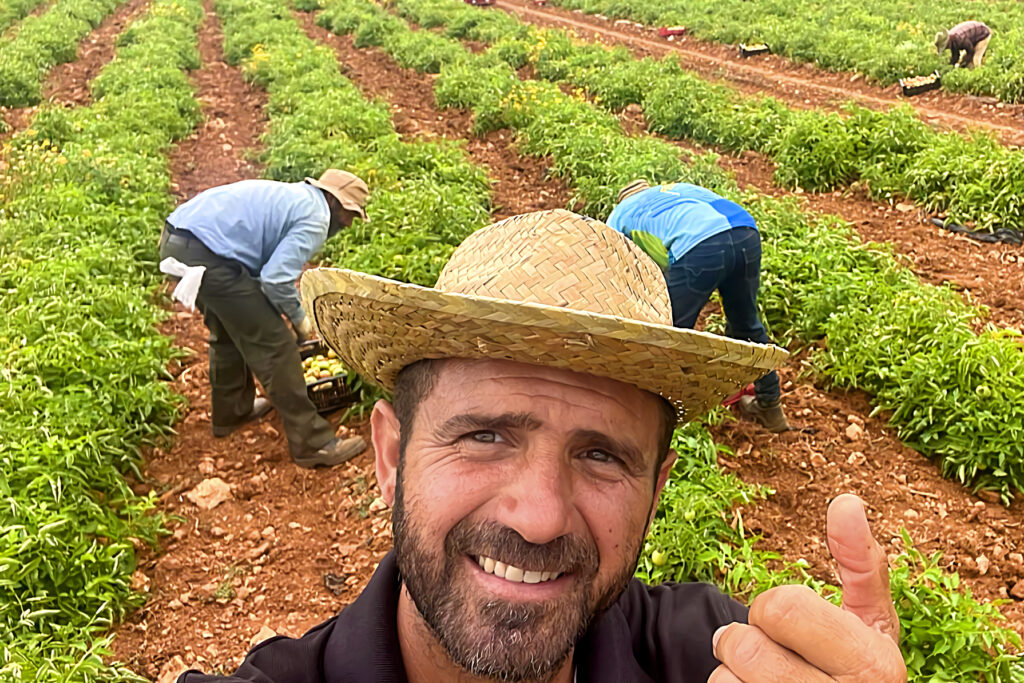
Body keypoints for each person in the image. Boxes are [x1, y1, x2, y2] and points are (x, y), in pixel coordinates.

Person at [179, 209, 906, 682]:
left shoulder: (713, 654)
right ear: (391, 456)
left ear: (655, 491)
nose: (539, 517)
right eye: (485, 435)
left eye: (601, 456)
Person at [158, 170, 370, 468]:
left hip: (179, 238)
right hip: (206, 253)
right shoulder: (316, 218)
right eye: (350, 214)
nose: (348, 224)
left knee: (230, 330)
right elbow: (275, 280)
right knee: (275, 345)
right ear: (336, 203)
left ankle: (232, 411)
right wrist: (299, 321)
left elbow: (261, 266)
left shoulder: (297, 198)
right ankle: (314, 444)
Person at [606, 180, 789, 433]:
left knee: (670, 333)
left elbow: (616, 269)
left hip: (701, 245)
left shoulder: (619, 215)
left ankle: (661, 415)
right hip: (745, 231)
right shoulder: (677, 190)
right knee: (745, 322)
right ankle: (770, 404)